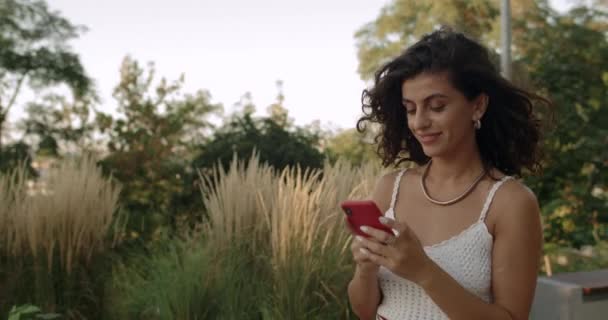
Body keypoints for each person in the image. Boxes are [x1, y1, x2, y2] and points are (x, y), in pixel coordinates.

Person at [347, 27, 550, 320]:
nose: (419, 122)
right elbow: (365, 310)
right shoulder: (390, 189)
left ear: (477, 106)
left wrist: (424, 272)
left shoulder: (510, 203)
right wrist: (365, 269)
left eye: (436, 106)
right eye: (410, 108)